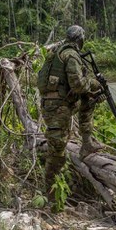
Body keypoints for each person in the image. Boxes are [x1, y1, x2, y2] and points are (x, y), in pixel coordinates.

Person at [38, 25, 104, 204]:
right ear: (80, 39)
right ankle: (52, 198)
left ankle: (87, 142)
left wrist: (92, 93)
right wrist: (95, 85)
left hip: (57, 105)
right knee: (57, 151)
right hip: (57, 108)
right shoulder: (71, 55)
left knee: (89, 100)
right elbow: (78, 85)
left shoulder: (56, 52)